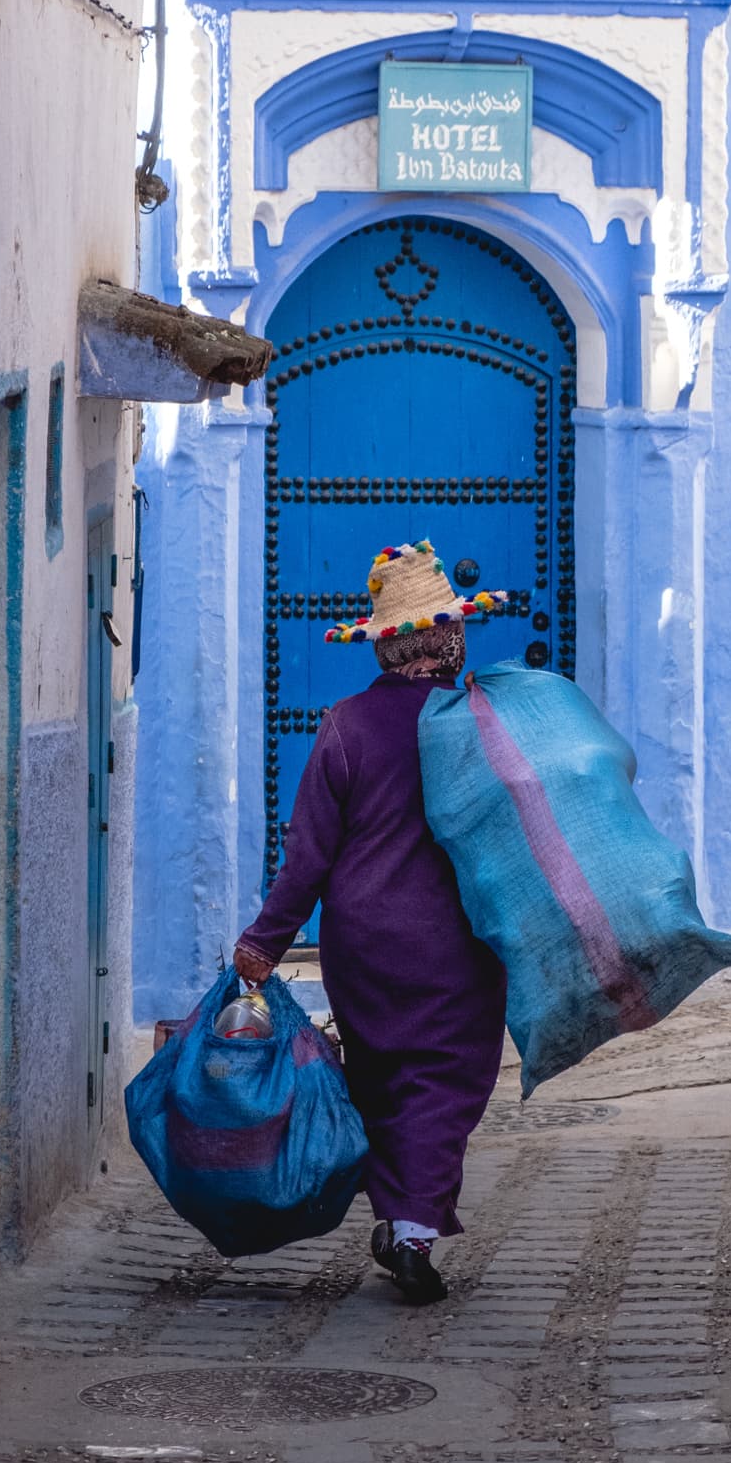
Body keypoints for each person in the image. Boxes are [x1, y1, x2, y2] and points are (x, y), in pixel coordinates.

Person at [233, 540, 510, 1304]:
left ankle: (395, 1214)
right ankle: (413, 1230)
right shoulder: (482, 718)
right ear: (449, 639)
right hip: (459, 943)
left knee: (384, 1074)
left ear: (388, 645)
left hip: (364, 945)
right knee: (442, 1083)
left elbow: (309, 854)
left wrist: (264, 942)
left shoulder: (347, 725)